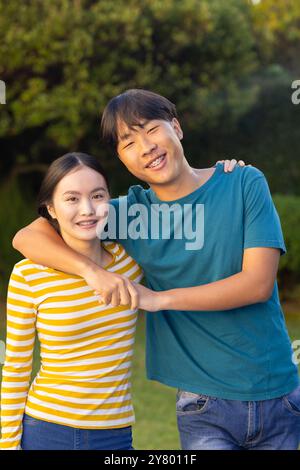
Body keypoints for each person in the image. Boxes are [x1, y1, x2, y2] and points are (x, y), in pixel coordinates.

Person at [12, 89, 300, 450]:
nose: (145, 147)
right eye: (129, 142)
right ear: (121, 158)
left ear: (176, 127)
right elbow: (28, 235)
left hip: (278, 393)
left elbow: (257, 284)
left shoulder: (243, 183)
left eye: (150, 129)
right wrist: (93, 272)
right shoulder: (131, 214)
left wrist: (158, 299)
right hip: (203, 403)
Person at [0, 152, 142, 450]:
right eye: (72, 198)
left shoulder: (131, 264)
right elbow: (16, 365)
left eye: (97, 195)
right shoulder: (28, 274)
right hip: (47, 430)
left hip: (114, 435)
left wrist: (226, 175)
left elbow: (183, 205)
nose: (88, 209)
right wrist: (8, 446)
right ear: (50, 208)